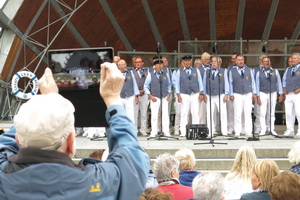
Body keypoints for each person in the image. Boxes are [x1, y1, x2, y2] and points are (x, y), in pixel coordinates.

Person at [0, 65, 150, 199]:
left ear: (18, 140)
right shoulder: (100, 183)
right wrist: (112, 98)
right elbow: (132, 161)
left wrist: (44, 104)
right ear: (71, 142)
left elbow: (5, 143)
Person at [175, 55, 204, 137]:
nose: (187, 62)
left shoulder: (196, 70)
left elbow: (200, 82)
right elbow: (177, 84)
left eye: (189, 61)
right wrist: (178, 95)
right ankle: (183, 131)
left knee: (195, 112)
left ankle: (196, 130)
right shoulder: (179, 71)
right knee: (184, 112)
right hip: (184, 93)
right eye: (185, 61)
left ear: (191, 61)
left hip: (194, 93)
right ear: (183, 62)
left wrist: (201, 93)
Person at [229, 55, 256, 136]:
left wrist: (254, 92)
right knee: (237, 113)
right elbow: (230, 83)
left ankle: (248, 131)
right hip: (237, 93)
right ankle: (237, 131)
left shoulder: (249, 70)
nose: (241, 61)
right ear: (236, 61)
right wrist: (231, 93)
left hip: (247, 93)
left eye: (242, 60)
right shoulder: (232, 71)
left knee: (248, 113)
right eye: (239, 60)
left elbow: (253, 82)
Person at [256, 56, 283, 136]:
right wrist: (258, 96)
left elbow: (279, 83)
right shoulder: (258, 73)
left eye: (268, 61)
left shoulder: (275, 71)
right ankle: (263, 130)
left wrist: (280, 94)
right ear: (262, 63)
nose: (267, 63)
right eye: (265, 61)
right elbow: (257, 85)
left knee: (271, 113)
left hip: (273, 92)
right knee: (262, 112)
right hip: (262, 93)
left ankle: (271, 129)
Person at [144, 59, 172, 137]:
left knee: (165, 114)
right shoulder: (150, 74)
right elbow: (146, 86)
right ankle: (154, 132)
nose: (161, 66)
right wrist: (150, 96)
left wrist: (169, 93)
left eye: (162, 64)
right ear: (155, 66)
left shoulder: (165, 74)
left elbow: (169, 84)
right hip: (155, 97)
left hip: (164, 96)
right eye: (159, 64)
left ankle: (166, 131)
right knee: (154, 115)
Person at [203, 57, 229, 136]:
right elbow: (204, 83)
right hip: (209, 94)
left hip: (220, 94)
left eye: (215, 61)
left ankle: (224, 131)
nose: (213, 63)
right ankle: (210, 131)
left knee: (223, 113)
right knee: (210, 113)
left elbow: (226, 82)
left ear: (219, 63)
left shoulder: (224, 71)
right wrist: (204, 94)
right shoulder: (207, 71)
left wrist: (226, 94)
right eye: (212, 61)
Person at [117, 59, 140, 124]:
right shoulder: (115, 74)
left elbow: (134, 84)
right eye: (123, 64)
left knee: (130, 114)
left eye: (125, 64)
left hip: (129, 96)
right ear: (119, 66)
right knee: (120, 114)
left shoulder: (131, 73)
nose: (125, 65)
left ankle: (131, 130)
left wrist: (136, 96)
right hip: (119, 97)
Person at [283, 53, 300, 136]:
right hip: (289, 93)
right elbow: (285, 79)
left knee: (298, 112)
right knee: (289, 112)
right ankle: (290, 130)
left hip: (298, 93)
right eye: (292, 58)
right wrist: (284, 89)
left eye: (295, 58)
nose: (292, 60)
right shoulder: (288, 69)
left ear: (299, 60)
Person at [132, 56, 149, 136]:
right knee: (134, 113)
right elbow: (130, 84)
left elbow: (149, 83)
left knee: (144, 113)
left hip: (144, 94)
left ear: (142, 63)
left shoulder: (146, 72)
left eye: (139, 62)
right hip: (135, 95)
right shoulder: (131, 72)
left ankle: (143, 129)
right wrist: (137, 92)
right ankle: (134, 130)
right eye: (136, 62)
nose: (138, 63)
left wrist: (144, 90)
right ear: (134, 64)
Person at [253, 55, 266, 134]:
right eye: (260, 60)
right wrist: (255, 93)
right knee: (257, 111)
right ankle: (257, 127)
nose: (261, 62)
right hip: (258, 92)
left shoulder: (271, 70)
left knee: (266, 112)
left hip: (266, 92)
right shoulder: (255, 70)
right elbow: (253, 82)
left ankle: (267, 127)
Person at [227, 52, 239, 135]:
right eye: (231, 58)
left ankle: (240, 128)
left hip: (240, 92)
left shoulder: (245, 68)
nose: (232, 60)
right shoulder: (229, 68)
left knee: (239, 112)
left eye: (234, 58)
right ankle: (230, 128)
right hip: (231, 92)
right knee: (230, 112)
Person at [197, 52, 211, 125]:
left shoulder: (212, 68)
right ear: (202, 60)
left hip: (211, 92)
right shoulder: (198, 69)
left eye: (209, 59)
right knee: (201, 112)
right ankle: (201, 126)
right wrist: (201, 93)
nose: (208, 61)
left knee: (210, 112)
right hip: (202, 93)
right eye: (206, 59)